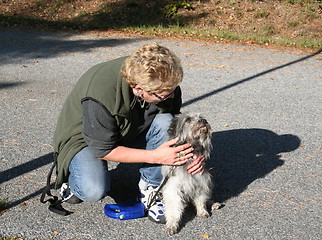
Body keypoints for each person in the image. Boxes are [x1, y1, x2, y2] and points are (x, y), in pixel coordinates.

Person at [52, 43, 206, 223]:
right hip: (86, 138)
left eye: (173, 91)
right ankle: (71, 184)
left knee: (166, 121)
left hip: (132, 127)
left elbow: (176, 128)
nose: (171, 97)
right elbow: (104, 150)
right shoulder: (100, 94)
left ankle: (152, 190)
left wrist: (193, 155)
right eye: (164, 96)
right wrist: (156, 156)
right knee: (92, 190)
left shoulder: (164, 82)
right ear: (139, 89)